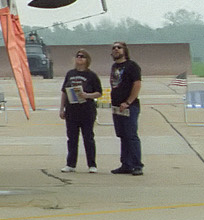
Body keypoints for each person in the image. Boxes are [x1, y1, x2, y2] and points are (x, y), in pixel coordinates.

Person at [59, 50, 102, 172]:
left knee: (88, 137)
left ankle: (92, 164)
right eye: (78, 56)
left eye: (82, 57)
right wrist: (62, 109)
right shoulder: (70, 74)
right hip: (72, 110)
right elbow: (64, 92)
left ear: (87, 60)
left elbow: (99, 92)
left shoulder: (91, 75)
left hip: (87, 110)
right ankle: (71, 164)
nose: (79, 58)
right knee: (72, 138)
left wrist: (87, 95)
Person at [108, 41, 144, 176]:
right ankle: (126, 164)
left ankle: (137, 165)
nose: (116, 49)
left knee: (131, 135)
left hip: (129, 106)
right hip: (117, 107)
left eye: (119, 47)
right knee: (122, 135)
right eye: (114, 48)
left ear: (125, 50)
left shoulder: (132, 66)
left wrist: (128, 102)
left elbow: (137, 85)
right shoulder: (114, 67)